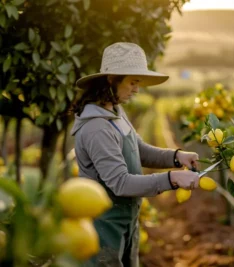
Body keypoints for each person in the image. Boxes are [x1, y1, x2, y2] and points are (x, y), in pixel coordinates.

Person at [70, 42, 200, 267]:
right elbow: (120, 183)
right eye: (133, 82)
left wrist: (177, 156)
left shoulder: (115, 112)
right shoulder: (97, 127)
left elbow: (138, 150)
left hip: (124, 222)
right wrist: (172, 178)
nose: (137, 89)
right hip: (103, 228)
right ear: (111, 79)